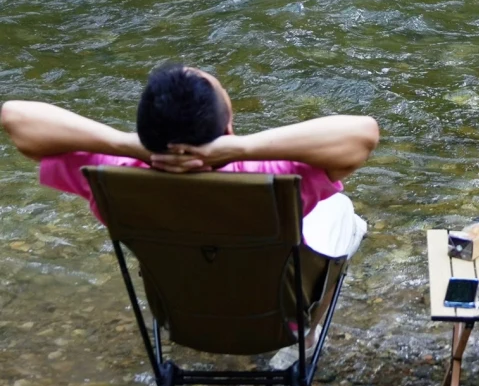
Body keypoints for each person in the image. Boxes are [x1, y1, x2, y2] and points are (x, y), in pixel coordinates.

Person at [0, 63, 379, 261]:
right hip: (280, 314)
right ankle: (307, 339)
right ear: (227, 126)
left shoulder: (110, 173)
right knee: (339, 207)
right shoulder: (274, 177)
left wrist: (126, 145)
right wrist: (242, 148)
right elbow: (362, 133)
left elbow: (16, 116)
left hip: (178, 312)